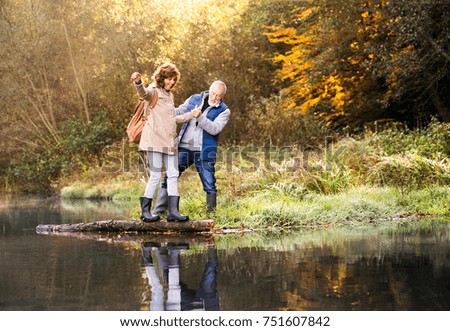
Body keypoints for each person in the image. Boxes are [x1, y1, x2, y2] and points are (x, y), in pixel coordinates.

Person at [131, 63, 200, 222]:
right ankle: (145, 212)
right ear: (162, 78)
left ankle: (173, 212)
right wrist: (138, 82)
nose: (171, 82)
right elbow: (142, 93)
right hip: (154, 141)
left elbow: (172, 119)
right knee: (155, 175)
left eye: (173, 80)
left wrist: (191, 115)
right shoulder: (153, 91)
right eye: (169, 79)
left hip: (169, 142)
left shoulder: (170, 96)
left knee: (173, 174)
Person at [152, 81, 230, 216]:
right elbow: (180, 110)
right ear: (209, 90)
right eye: (212, 93)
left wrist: (200, 117)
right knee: (170, 175)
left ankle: (211, 216)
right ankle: (158, 212)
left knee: (209, 183)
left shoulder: (224, 111)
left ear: (222, 96)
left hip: (204, 151)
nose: (214, 97)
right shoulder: (194, 98)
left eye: (218, 95)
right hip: (184, 148)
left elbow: (215, 129)